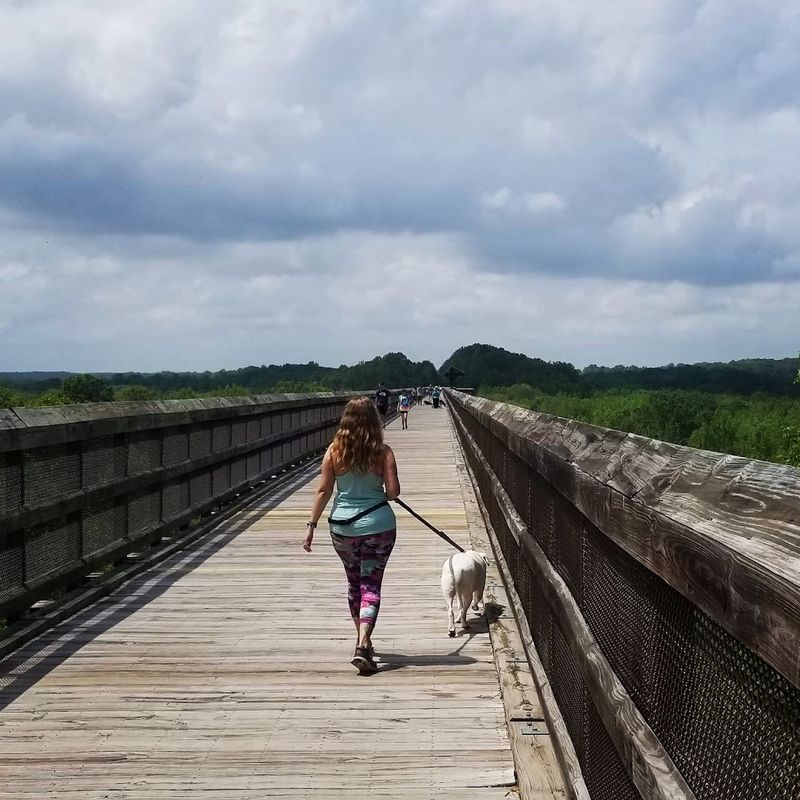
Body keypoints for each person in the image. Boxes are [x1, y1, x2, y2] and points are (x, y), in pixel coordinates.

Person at [303, 397, 401, 674]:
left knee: (354, 583)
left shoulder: (334, 451)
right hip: (378, 526)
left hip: (343, 529)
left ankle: (363, 641)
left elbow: (323, 490)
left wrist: (311, 525)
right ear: (375, 420)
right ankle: (363, 642)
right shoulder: (384, 452)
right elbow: (393, 493)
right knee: (371, 584)